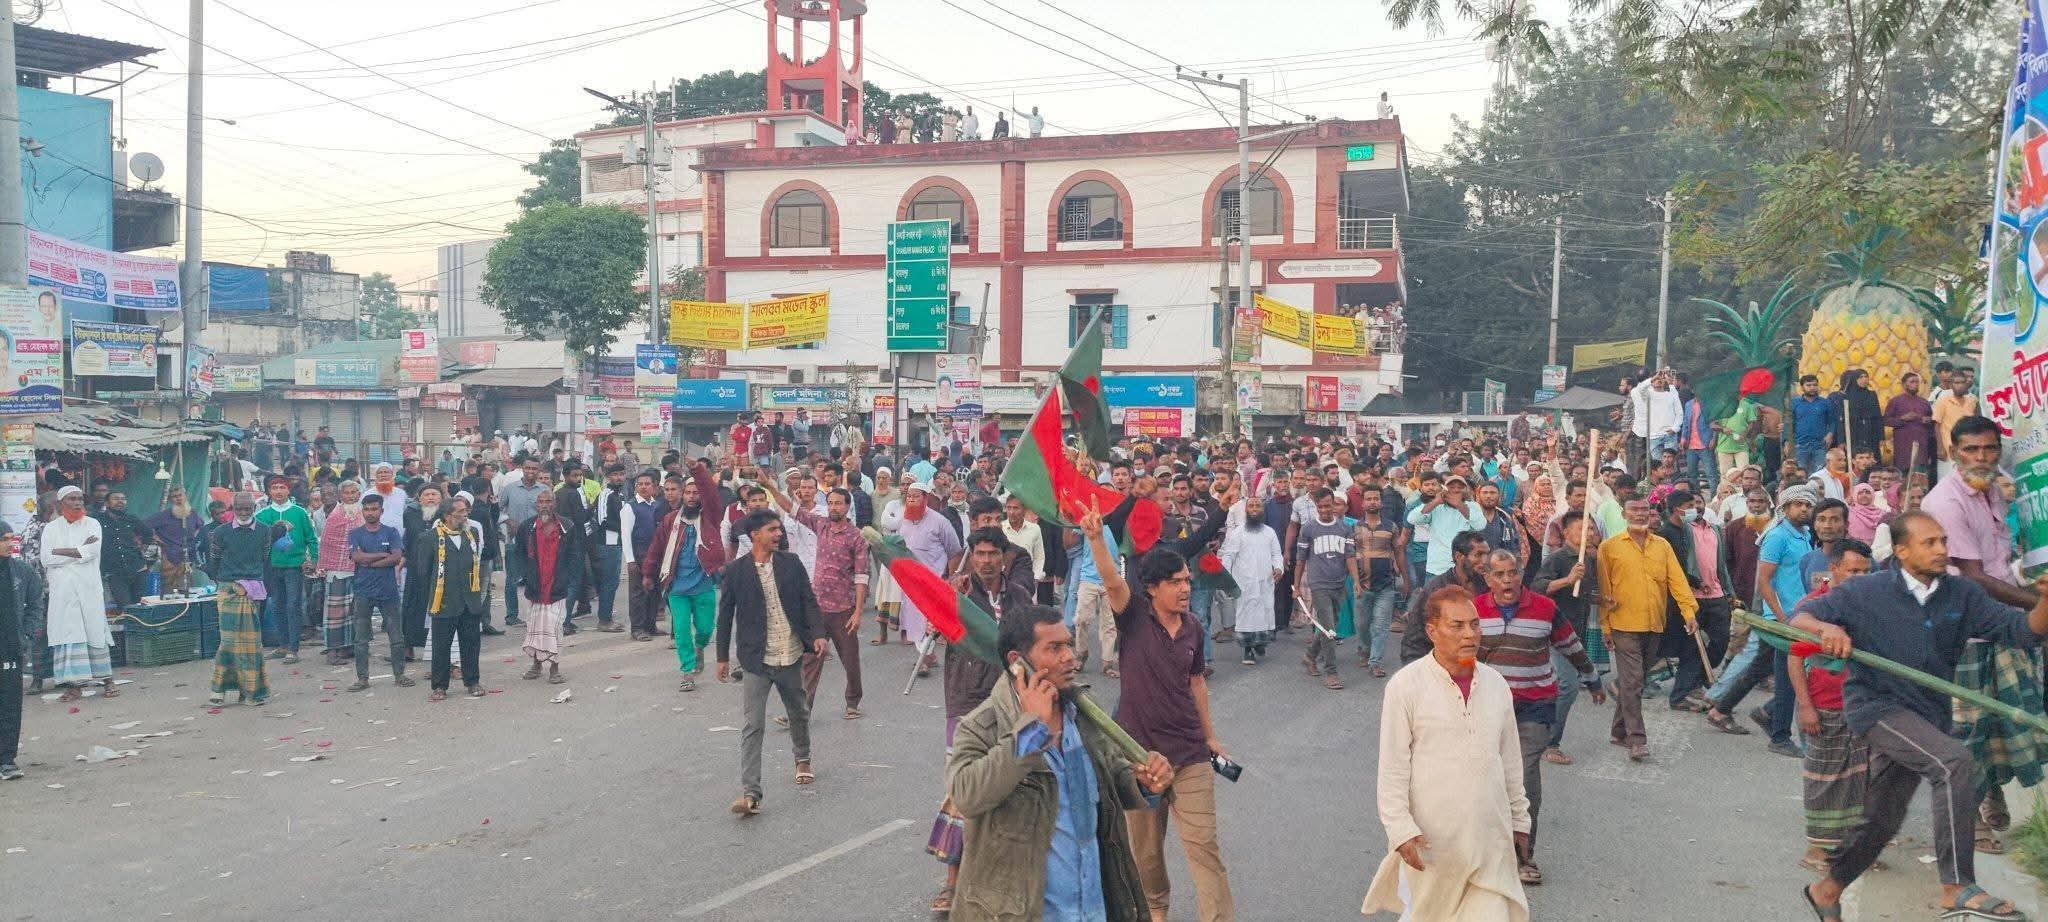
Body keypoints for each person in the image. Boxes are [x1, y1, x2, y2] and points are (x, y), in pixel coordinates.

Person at [1797, 511, 2048, 921]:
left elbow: (2020, 632)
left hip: (1928, 715)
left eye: (1943, 541)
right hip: (1877, 707)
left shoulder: (1962, 595)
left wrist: (2046, 601)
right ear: (1900, 550)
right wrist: (1828, 630)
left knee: (1883, 819)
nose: (1941, 550)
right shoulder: (1867, 591)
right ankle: (1957, 886)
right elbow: (1802, 618)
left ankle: (1827, 889)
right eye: (1929, 542)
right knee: (1954, 762)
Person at [945, 602, 1173, 921]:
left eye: (1067, 644)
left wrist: (1143, 781)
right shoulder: (982, 726)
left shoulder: (1081, 711)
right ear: (1017, 662)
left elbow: (1111, 776)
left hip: (1092, 909)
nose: (1070, 657)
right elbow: (967, 795)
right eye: (1054, 648)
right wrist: (1031, 732)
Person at [1079, 504, 1236, 921]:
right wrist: (1096, 539)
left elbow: (1196, 682)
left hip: (1189, 755)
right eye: (1175, 583)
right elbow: (1112, 581)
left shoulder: (1193, 627)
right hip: (1140, 759)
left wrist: (1211, 737)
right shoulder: (1132, 617)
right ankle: (1155, 913)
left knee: (1205, 849)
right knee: (1145, 855)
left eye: (1187, 580)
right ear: (1151, 588)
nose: (1185, 589)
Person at [1364, 585, 1533, 922]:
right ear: (1432, 631)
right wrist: (1400, 829)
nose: (1469, 634)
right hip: (1432, 848)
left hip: (1489, 845)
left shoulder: (1496, 685)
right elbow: (1393, 768)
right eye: (1457, 626)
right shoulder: (1406, 686)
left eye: (1474, 624)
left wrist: (1520, 819)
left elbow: (1511, 762)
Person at [715, 510, 829, 817]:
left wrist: (817, 634)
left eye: (779, 529)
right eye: (772, 529)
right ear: (755, 535)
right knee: (753, 725)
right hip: (756, 659)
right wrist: (722, 657)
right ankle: (751, 793)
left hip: (789, 653)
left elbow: (808, 601)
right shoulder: (736, 571)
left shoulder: (790, 564)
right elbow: (725, 616)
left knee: (798, 711)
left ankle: (802, 757)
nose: (779, 534)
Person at [1703, 485, 1814, 756]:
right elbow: (1763, 581)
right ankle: (1778, 734)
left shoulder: (1805, 535)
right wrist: (1780, 618)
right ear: (1785, 508)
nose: (1804, 509)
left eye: (1807, 505)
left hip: (1798, 616)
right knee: (1791, 676)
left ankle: (1727, 709)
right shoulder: (1777, 536)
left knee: (1762, 667)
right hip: (1781, 619)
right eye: (1798, 504)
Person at [1790, 538, 1873, 873]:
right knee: (1824, 779)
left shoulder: (1870, 605)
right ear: (1834, 569)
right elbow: (1795, 663)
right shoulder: (1814, 608)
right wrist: (1805, 707)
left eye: (1865, 572)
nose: (1858, 578)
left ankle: (1852, 848)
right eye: (1852, 570)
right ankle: (1817, 850)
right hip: (1824, 707)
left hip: (1861, 707)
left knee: (1859, 779)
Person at [1596, 498, 1698, 761]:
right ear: (1623, 513)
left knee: (1633, 681)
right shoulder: (1609, 548)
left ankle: (1618, 731)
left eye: (1644, 510)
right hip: (1623, 625)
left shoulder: (1662, 546)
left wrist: (1688, 612)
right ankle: (1636, 739)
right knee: (1633, 681)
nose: (1640, 515)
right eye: (1634, 510)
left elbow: (1677, 581)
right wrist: (1605, 626)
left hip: (1654, 624)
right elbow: (1604, 590)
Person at [645, 464, 727, 691]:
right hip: (677, 587)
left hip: (703, 585)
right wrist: (648, 574)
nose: (692, 497)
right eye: (688, 493)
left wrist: (699, 472)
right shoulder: (671, 520)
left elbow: (711, 495)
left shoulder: (710, 518)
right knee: (681, 630)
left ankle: (700, 648)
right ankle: (688, 670)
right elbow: (656, 548)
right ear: (682, 495)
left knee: (704, 629)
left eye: (696, 493)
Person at [793, 487, 868, 719]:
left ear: (847, 507)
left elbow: (862, 576)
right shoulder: (821, 525)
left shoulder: (856, 537)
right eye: (831, 503)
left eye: (839, 503)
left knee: (850, 659)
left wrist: (857, 612)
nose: (834, 507)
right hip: (817, 608)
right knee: (810, 659)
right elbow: (793, 510)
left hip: (843, 609)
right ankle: (802, 708)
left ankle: (853, 702)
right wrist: (770, 486)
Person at [41, 486, 115, 702]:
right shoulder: (51, 529)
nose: (77, 503)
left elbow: (90, 553)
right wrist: (77, 550)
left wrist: (61, 551)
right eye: (72, 499)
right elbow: (46, 559)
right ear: (60, 503)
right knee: (68, 634)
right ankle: (74, 686)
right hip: (62, 590)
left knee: (95, 632)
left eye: (80, 499)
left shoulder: (93, 524)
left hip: (88, 587)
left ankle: (107, 680)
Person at [206, 492, 275, 707]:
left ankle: (251, 692)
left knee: (251, 644)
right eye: (239, 509)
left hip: (254, 590)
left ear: (254, 508)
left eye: (248, 509)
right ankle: (219, 689)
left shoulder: (264, 531)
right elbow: (214, 560)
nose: (244, 513)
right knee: (228, 641)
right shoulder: (220, 532)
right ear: (232, 510)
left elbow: (265, 557)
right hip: (228, 589)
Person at [892, 481, 965, 674]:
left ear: (926, 499)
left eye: (916, 496)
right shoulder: (902, 520)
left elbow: (954, 551)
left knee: (929, 620)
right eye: (909, 496)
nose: (911, 500)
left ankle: (924, 658)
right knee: (915, 619)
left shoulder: (940, 521)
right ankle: (927, 656)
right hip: (911, 581)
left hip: (935, 581)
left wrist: (950, 578)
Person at [420, 494, 488, 701]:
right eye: (460, 512)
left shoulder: (472, 533)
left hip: (470, 600)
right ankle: (440, 686)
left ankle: (472, 681)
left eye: (466, 511)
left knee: (471, 644)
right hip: (444, 601)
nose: (465, 515)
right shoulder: (430, 538)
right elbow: (423, 571)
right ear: (448, 516)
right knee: (441, 646)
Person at [515, 489, 582, 685]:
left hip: (557, 587)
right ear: (536, 504)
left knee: (554, 628)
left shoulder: (566, 526)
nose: (545, 505)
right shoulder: (526, 527)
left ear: (555, 504)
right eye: (541, 501)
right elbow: (518, 554)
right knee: (534, 628)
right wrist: (525, 575)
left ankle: (554, 668)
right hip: (535, 587)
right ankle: (536, 665)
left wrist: (567, 578)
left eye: (548, 501)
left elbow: (574, 555)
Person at [345, 493, 410, 691]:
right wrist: (384, 555)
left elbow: (397, 556)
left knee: (396, 637)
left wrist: (369, 561)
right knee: (361, 639)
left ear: (381, 511)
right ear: (362, 511)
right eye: (367, 509)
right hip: (363, 590)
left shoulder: (391, 532)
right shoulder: (354, 533)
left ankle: (400, 675)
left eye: (374, 509)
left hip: (388, 591)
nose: (370, 513)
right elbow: (357, 557)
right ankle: (362, 678)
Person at [1294, 489, 1358, 689]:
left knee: (1330, 625)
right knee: (1329, 629)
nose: (1324, 510)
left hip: (1339, 583)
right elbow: (1301, 559)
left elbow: (1349, 556)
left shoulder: (1345, 529)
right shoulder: (1309, 529)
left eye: (1328, 505)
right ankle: (1332, 672)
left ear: (1335, 505)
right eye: (1320, 506)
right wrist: (1296, 586)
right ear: (1316, 507)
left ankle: (1310, 655)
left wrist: (1355, 580)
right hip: (1319, 584)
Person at [254, 475, 317, 664]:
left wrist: (313, 559)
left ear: (288, 490)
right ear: (269, 492)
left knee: (294, 605)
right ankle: (282, 645)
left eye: (282, 487)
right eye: (275, 488)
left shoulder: (299, 513)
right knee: (277, 605)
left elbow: (311, 538)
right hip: (272, 567)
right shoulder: (262, 516)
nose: (279, 491)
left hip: (294, 567)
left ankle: (293, 648)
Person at [1219, 494, 1284, 666]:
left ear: (1263, 510)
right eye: (1251, 506)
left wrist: (1278, 568)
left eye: (1258, 506)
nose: (1254, 509)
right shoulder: (1238, 532)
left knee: (1264, 613)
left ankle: (1260, 643)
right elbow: (1228, 556)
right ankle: (1248, 650)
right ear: (1246, 510)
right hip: (1244, 583)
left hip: (1265, 581)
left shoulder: (1269, 532)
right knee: (1246, 616)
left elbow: (1276, 554)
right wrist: (1226, 578)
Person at [1355, 486, 1407, 677]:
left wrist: (1405, 579)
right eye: (1369, 499)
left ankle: (1375, 662)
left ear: (1381, 502)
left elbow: (1399, 553)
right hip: (1362, 585)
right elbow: (1349, 557)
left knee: (1380, 626)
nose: (1372, 502)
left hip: (1386, 585)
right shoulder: (1355, 528)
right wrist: (1353, 581)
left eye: (1376, 498)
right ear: (1363, 504)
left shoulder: (1391, 527)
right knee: (1362, 624)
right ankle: (1364, 648)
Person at [314, 480, 364, 665]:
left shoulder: (362, 512)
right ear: (340, 496)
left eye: (354, 492)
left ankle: (348, 646)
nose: (351, 496)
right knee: (335, 611)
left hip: (359, 569)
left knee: (354, 610)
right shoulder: (335, 515)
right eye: (347, 493)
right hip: (337, 570)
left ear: (359, 494)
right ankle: (332, 651)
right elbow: (328, 543)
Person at [498, 458, 548, 628]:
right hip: (514, 542)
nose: (531, 471)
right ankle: (511, 616)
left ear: (539, 470)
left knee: (538, 578)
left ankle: (537, 615)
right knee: (512, 579)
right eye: (528, 468)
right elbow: (497, 510)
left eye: (534, 468)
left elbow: (550, 514)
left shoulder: (544, 490)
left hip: (538, 542)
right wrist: (507, 520)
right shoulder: (509, 489)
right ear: (522, 469)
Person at [621, 471, 667, 642]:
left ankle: (650, 625)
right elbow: (625, 535)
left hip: (656, 554)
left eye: (647, 484)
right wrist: (630, 560)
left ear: (654, 486)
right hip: (639, 553)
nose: (643, 487)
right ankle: (637, 628)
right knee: (638, 593)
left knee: (654, 592)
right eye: (640, 484)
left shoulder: (657, 506)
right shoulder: (630, 507)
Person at [146, 486, 205, 593]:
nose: (178, 498)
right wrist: (157, 540)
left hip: (187, 559)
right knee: (168, 592)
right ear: (170, 499)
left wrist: (194, 541)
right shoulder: (163, 515)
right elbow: (144, 526)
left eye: (180, 495)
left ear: (185, 496)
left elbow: (200, 526)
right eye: (174, 496)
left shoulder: (192, 513)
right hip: (169, 558)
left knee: (186, 591)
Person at [0, 523, 22, 780]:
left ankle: (7, 759)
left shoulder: (19, 571)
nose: (9, 544)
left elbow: (35, 601)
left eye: (10, 539)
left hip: (11, 650)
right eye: (3, 539)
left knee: (10, 707)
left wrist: (26, 634)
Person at [1884, 372, 1935, 475]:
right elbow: (1886, 420)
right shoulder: (1896, 401)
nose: (1915, 384)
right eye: (1912, 382)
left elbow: (1932, 422)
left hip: (1922, 446)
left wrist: (1928, 420)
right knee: (1903, 477)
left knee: (1919, 476)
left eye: (1917, 382)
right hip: (1903, 447)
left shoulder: (1924, 402)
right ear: (1904, 385)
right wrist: (1903, 418)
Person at [1932, 372, 1979, 480]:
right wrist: (1940, 448)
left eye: (1962, 382)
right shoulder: (1943, 401)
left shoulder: (1972, 401)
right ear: (1951, 385)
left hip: (1967, 450)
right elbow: (1936, 425)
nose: (1960, 385)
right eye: (1956, 383)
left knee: (1967, 482)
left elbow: (1976, 425)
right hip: (1948, 450)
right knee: (1946, 482)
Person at [1790, 374, 1837, 477]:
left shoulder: (1825, 403)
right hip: (1800, 445)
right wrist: (1787, 442)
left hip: (1820, 445)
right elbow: (1789, 424)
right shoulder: (1795, 403)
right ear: (1802, 387)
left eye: (1815, 385)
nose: (1812, 388)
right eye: (1808, 385)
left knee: (1820, 474)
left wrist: (1830, 434)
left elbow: (1832, 421)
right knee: (1801, 474)